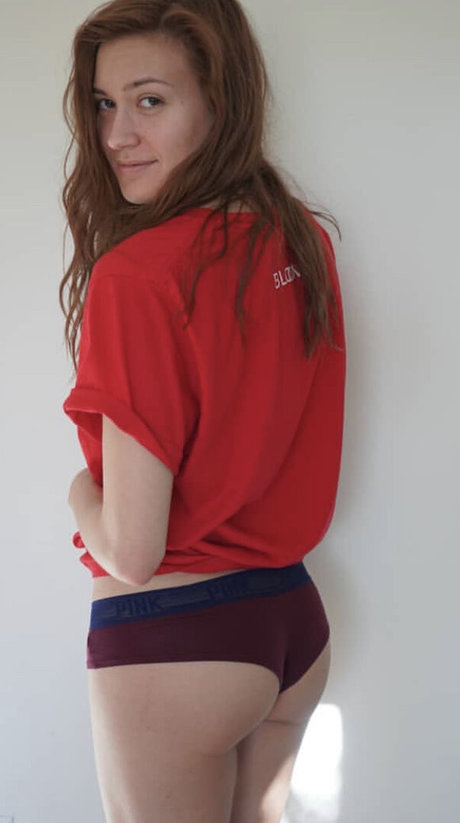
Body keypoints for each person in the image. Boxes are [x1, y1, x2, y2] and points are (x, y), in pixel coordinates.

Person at [59, 1, 346, 821]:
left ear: (219, 104)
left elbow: (132, 550)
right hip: (292, 626)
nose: (116, 135)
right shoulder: (300, 240)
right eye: (105, 104)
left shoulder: (138, 275)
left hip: (177, 638)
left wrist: (79, 493)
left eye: (150, 100)